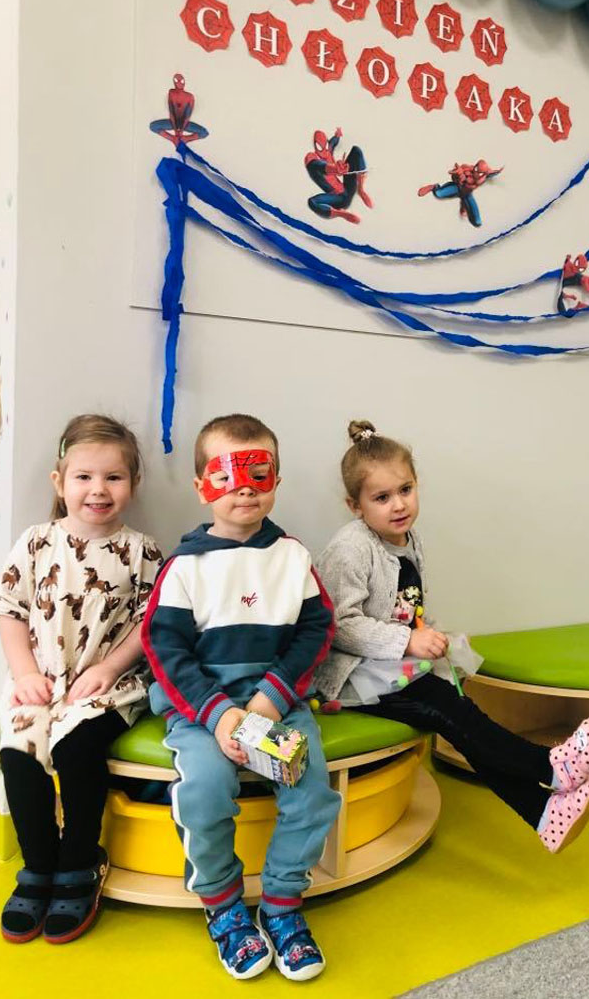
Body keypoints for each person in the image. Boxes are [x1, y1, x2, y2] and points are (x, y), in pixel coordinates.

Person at [314, 420, 589, 856]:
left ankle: (542, 811)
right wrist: (407, 642)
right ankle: (548, 767)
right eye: (381, 497)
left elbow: (405, 604)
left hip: (392, 665)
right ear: (354, 506)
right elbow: (339, 625)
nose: (399, 504)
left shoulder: (408, 538)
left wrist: (426, 636)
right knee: (452, 711)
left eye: (406, 489)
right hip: (354, 675)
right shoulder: (350, 549)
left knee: (459, 715)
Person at [142, 413, 340, 982]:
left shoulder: (293, 557)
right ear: (200, 485)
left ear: (277, 479)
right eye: (226, 474)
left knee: (311, 792)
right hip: (202, 712)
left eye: (259, 473)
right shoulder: (184, 567)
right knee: (204, 791)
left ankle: (281, 904)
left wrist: (272, 698)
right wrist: (219, 713)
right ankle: (223, 905)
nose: (244, 487)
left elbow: (316, 630)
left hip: (278, 704)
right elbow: (164, 648)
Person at [0, 414, 162, 944]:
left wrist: (109, 668)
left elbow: (149, 624)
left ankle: (80, 861)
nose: (98, 489)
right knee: (18, 751)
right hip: (41, 679)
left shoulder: (143, 551)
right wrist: (24, 673)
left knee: (75, 747)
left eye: (114, 477)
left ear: (133, 483)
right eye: (84, 477)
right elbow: (9, 610)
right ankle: (39, 866)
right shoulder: (36, 542)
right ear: (59, 481)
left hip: (110, 684)